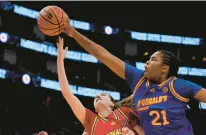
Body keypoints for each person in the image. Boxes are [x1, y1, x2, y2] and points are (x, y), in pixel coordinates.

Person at [62, 15, 206, 135]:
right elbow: (103, 55)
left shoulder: (179, 85)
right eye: (148, 59)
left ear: (164, 68)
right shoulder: (138, 79)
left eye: (153, 59)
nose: (147, 62)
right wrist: (73, 32)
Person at [56, 37, 144, 135]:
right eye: (96, 97)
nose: (98, 96)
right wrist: (60, 60)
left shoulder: (125, 112)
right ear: (95, 109)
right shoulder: (91, 121)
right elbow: (67, 93)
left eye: (103, 94)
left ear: (112, 104)